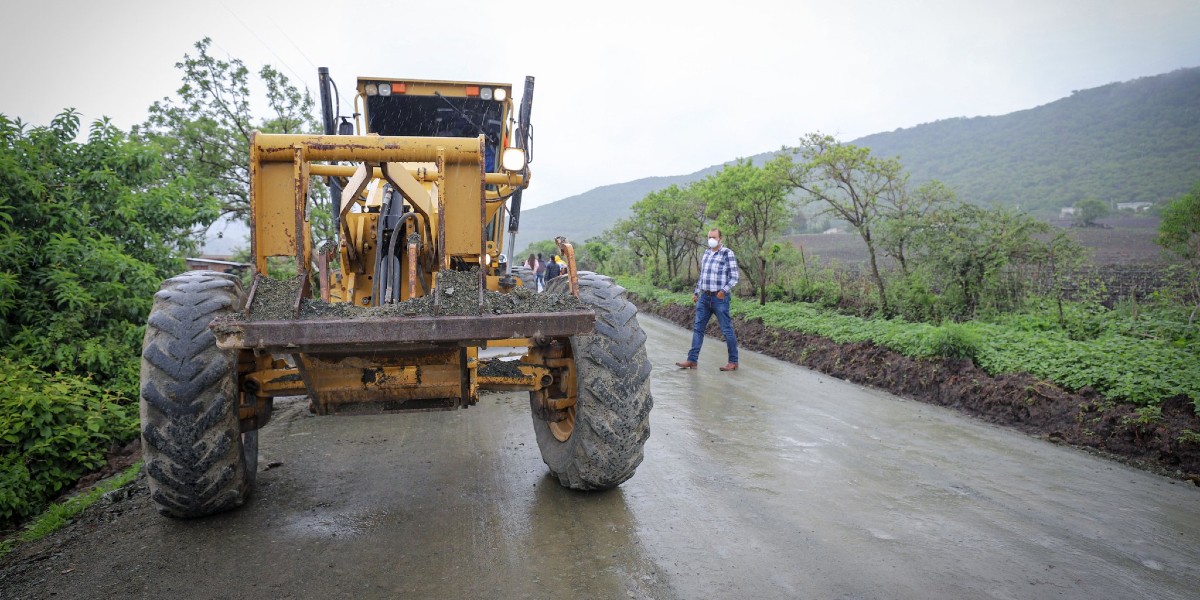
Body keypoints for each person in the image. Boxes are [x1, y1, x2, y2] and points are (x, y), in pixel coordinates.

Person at [676, 228, 740, 371]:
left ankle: (733, 362)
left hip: (719, 298)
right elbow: (703, 276)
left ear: (720, 239)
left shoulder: (727, 253)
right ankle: (692, 360)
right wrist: (696, 292)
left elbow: (734, 277)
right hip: (704, 297)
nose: (711, 239)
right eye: (709, 237)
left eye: (714, 237)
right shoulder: (706, 253)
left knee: (727, 330)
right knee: (698, 329)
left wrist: (723, 291)